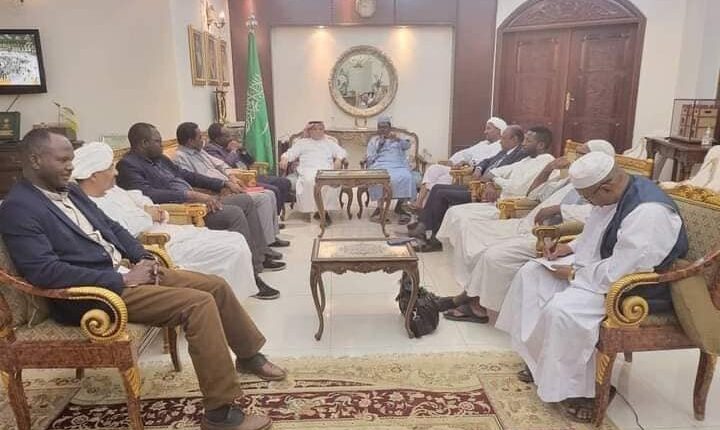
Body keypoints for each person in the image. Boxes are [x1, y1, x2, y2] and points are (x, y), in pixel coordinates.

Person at [0, 129, 286, 430]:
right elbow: (44, 272)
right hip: (90, 295)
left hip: (121, 273)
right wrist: (121, 280)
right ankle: (220, 414)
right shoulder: (19, 208)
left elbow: (112, 227)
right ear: (35, 160)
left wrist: (142, 257)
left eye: (71, 159)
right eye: (62, 160)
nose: (70, 166)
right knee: (198, 305)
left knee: (214, 284)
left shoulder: (69, 190)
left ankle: (249, 356)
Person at [496, 151, 688, 422]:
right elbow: (599, 228)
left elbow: (627, 269)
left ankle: (586, 391)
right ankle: (541, 362)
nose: (589, 204)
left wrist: (575, 274)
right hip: (603, 269)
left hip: (636, 289)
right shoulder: (615, 193)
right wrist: (570, 248)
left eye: (588, 198)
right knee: (531, 273)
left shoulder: (649, 212)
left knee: (563, 310)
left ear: (605, 187)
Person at [439, 140, 616, 322]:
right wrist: (548, 169)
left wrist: (559, 209)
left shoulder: (603, 190)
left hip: (548, 235)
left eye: (582, 155)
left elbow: (594, 215)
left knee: (494, 256)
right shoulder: (570, 181)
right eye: (577, 154)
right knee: (474, 231)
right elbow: (534, 194)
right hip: (526, 224)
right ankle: (467, 296)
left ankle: (476, 306)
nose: (577, 159)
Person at [72, 141, 260, 300]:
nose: (116, 173)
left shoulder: (112, 189)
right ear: (93, 175)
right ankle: (226, 302)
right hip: (155, 242)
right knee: (230, 248)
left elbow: (140, 198)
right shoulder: (88, 203)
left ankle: (230, 301)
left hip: (166, 229)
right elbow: (128, 228)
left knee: (235, 239)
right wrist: (147, 214)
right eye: (110, 168)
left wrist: (148, 210)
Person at [115, 122, 283, 300]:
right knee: (234, 214)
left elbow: (188, 175)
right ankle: (253, 276)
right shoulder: (128, 166)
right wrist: (191, 195)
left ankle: (260, 256)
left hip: (198, 200)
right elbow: (149, 194)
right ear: (143, 143)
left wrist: (222, 183)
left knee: (245, 200)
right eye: (157, 141)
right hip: (182, 210)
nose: (162, 144)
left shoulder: (160, 159)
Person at [426, 126, 555, 254]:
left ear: (541, 145)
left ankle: (465, 254)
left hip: (512, 208)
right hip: (497, 199)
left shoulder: (546, 161)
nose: (523, 143)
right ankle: (449, 249)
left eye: (528, 140)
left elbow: (517, 188)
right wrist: (490, 183)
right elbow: (495, 172)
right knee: (454, 212)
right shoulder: (527, 160)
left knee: (463, 219)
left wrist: (495, 180)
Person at [408, 125, 528, 252]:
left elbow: (504, 174)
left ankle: (430, 235)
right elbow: (486, 161)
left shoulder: (519, 155)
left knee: (442, 194)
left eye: (503, 138)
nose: (500, 141)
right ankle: (426, 227)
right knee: (437, 188)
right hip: (477, 184)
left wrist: (489, 182)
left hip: (484, 191)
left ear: (514, 139)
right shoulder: (504, 151)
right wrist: (479, 168)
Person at [172, 122, 287, 248]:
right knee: (263, 198)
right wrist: (222, 186)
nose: (203, 139)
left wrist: (232, 178)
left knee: (270, 194)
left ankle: (269, 238)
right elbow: (191, 182)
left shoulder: (200, 152)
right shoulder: (180, 158)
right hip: (217, 193)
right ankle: (266, 243)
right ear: (190, 141)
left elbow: (221, 165)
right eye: (200, 137)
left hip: (229, 185)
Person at [412, 117, 505, 209]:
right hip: (460, 168)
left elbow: (487, 163)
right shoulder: (483, 143)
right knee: (434, 168)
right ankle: (419, 203)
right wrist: (452, 161)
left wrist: (467, 163)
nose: (485, 132)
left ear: (499, 130)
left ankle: (425, 209)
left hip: (468, 174)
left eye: (488, 129)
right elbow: (465, 153)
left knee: (440, 180)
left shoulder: (500, 146)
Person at [206, 123, 291, 215]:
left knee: (284, 182)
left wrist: (242, 149)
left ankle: (274, 216)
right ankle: (272, 217)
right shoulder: (210, 150)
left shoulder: (228, 144)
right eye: (227, 136)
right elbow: (225, 166)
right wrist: (233, 151)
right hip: (240, 180)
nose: (230, 138)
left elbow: (251, 161)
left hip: (250, 174)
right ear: (217, 139)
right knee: (274, 190)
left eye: (230, 135)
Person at [278, 120, 347, 221]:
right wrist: (284, 158)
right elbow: (290, 153)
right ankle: (314, 211)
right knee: (310, 180)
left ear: (323, 130)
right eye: (315, 129)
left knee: (330, 182)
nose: (318, 131)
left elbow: (341, 152)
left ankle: (324, 211)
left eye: (320, 129)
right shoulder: (302, 143)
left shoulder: (329, 142)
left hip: (326, 169)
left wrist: (339, 159)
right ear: (309, 131)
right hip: (308, 169)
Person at [366, 116, 417, 224]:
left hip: (398, 165)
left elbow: (407, 145)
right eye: (380, 127)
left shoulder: (398, 139)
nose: (383, 129)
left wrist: (398, 139)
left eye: (385, 127)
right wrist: (380, 146)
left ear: (389, 128)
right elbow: (370, 158)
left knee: (407, 177)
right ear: (378, 128)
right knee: (377, 178)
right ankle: (380, 208)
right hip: (380, 165)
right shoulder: (374, 140)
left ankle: (401, 207)